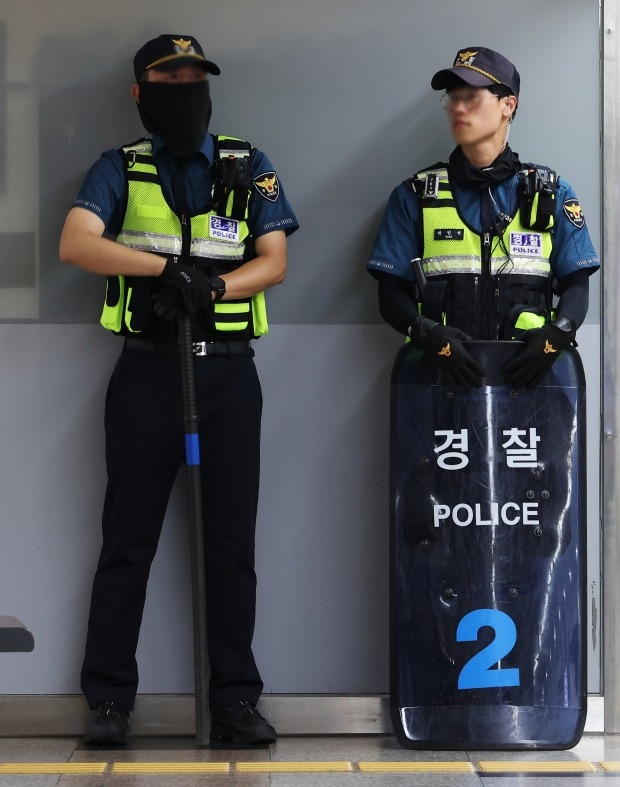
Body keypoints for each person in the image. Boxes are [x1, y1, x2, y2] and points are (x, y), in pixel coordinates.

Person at [59, 35, 298, 746]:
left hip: (227, 374)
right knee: (127, 541)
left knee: (229, 544)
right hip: (148, 374)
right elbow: (76, 242)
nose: (186, 85)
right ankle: (108, 702)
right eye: (170, 75)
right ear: (142, 91)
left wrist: (215, 284)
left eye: (195, 75)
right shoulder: (119, 168)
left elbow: (276, 259)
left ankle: (233, 699)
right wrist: (163, 273)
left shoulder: (247, 163)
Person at [368, 47, 600, 386]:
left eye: (472, 98)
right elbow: (390, 293)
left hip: (530, 386)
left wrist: (555, 337)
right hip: (438, 385)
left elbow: (577, 284)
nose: (459, 109)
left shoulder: (552, 192)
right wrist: (429, 335)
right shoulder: (416, 195)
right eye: (453, 98)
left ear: (508, 105)